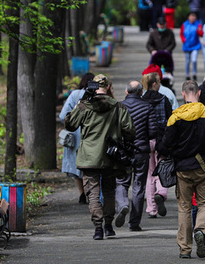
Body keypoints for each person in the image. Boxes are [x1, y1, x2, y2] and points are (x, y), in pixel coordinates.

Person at [157, 79, 205, 259]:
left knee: (184, 208)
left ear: (182, 94)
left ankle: (185, 248)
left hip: (182, 169)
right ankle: (201, 231)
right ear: (199, 93)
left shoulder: (175, 117)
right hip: (204, 168)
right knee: (204, 203)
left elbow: (166, 144)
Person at [64, 74, 135, 240]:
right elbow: (130, 131)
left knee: (93, 193)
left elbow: (70, 124)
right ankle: (109, 226)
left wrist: (80, 103)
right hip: (111, 156)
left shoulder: (84, 106)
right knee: (109, 190)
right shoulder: (119, 107)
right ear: (109, 87)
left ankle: (98, 228)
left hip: (89, 158)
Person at [117, 80, 161, 231]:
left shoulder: (119, 107)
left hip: (124, 151)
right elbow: (153, 132)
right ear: (141, 92)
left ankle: (123, 205)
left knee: (122, 182)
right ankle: (134, 223)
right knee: (138, 187)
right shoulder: (147, 107)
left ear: (126, 92)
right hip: (141, 151)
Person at [59, 72, 95, 204]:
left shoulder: (74, 95)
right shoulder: (98, 96)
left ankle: (81, 193)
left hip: (75, 136)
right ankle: (91, 191)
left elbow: (63, 115)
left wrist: (73, 121)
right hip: (92, 135)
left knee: (76, 166)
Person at [142, 72, 174, 218]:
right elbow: (170, 121)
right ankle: (161, 193)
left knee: (149, 174)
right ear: (154, 84)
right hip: (162, 140)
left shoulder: (142, 100)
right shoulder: (164, 99)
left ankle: (151, 209)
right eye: (159, 82)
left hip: (146, 141)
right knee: (162, 169)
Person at [180, 12, 203, 81]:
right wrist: (184, 40)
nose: (193, 18)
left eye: (194, 16)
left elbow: (201, 34)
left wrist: (199, 31)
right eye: (191, 16)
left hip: (195, 45)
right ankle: (187, 74)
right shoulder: (184, 24)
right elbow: (181, 34)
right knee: (187, 61)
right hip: (187, 45)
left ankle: (194, 73)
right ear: (188, 17)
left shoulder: (198, 24)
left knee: (194, 60)